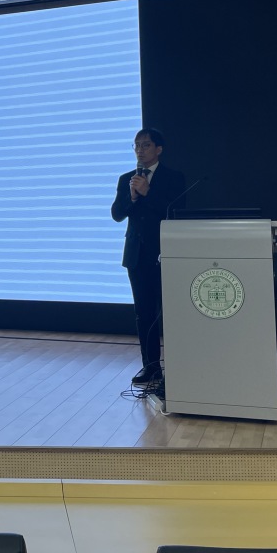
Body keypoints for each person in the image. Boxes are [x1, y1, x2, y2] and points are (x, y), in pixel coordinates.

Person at [111, 128, 186, 385]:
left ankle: (180, 367)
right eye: (136, 145)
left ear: (158, 149)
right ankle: (151, 367)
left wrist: (148, 193)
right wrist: (132, 197)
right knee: (144, 313)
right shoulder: (126, 179)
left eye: (145, 145)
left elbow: (177, 211)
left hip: (166, 254)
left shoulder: (174, 177)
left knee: (170, 312)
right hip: (136, 255)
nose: (140, 150)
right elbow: (117, 214)